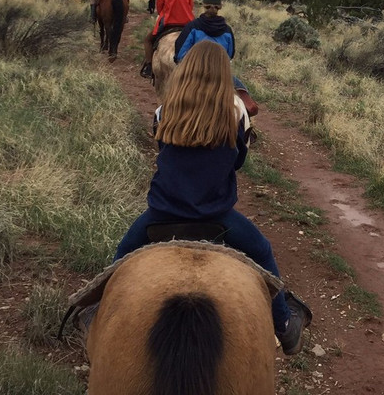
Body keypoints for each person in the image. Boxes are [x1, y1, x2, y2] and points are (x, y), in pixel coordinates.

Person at [113, 41, 308, 354]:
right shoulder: (236, 110)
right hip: (215, 216)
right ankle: (284, 325)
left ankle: (96, 312)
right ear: (224, 74)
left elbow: (161, 149)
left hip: (161, 214)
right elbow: (239, 161)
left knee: (123, 252)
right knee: (262, 251)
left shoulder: (166, 108)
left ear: (186, 70)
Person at [174, 0, 258, 115]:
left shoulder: (192, 27)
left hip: (194, 72)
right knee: (245, 96)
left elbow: (180, 54)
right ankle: (247, 126)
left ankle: (163, 124)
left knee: (171, 98)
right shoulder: (227, 30)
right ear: (220, 7)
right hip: (219, 74)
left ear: (203, 5)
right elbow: (230, 54)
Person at [140, 0, 194, 79]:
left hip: (168, 25)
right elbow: (191, 7)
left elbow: (159, 10)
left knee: (148, 40)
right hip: (187, 25)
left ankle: (149, 67)